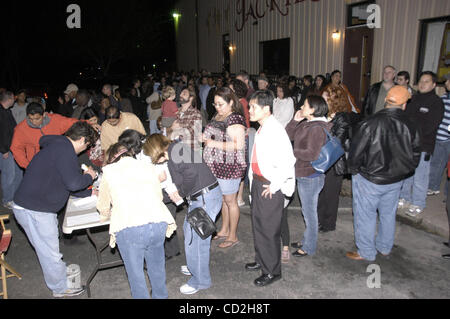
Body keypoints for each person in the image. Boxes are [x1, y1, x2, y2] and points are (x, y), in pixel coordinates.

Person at [13, 121, 98, 297]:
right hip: (34, 209)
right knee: (49, 252)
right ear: (82, 139)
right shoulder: (65, 151)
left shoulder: (58, 147)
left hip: (32, 205)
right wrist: (89, 176)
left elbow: (67, 182)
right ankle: (60, 289)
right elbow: (74, 183)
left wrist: (90, 193)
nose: (85, 150)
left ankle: (57, 273)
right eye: (87, 145)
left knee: (48, 250)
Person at [346, 86, 421, 261]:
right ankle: (385, 247)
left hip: (370, 178)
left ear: (386, 101)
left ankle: (366, 251)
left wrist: (355, 171)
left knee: (366, 215)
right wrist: (405, 169)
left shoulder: (371, 122)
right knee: (388, 214)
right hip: (396, 179)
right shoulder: (411, 123)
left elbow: (356, 152)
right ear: (404, 105)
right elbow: (416, 152)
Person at [145, 134, 223, 295]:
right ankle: (195, 266)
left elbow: (191, 175)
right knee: (190, 234)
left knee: (196, 241)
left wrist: (180, 193)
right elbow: (185, 176)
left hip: (204, 198)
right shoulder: (176, 149)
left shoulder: (176, 151)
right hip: (203, 197)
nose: (153, 160)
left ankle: (201, 280)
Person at [97, 142, 176, 299]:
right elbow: (158, 196)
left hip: (129, 226)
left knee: (136, 275)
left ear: (112, 157)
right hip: (157, 221)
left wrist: (105, 216)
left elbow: (103, 204)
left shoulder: (109, 171)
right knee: (157, 268)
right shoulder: (147, 166)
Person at [244, 90, 296, 287]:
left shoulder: (275, 129)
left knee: (268, 229)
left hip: (269, 184)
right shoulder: (263, 127)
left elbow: (288, 161)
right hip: (258, 183)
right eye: (249, 107)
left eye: (253, 107)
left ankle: (272, 271)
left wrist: (274, 186)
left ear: (266, 109)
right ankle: (262, 260)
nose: (250, 111)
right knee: (258, 225)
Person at [286, 95, 332, 257]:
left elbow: (312, 154)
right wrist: (295, 120)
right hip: (306, 174)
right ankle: (307, 239)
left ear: (313, 110)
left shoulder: (317, 128)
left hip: (310, 176)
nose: (301, 107)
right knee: (308, 211)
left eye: (305, 105)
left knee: (309, 213)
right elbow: (288, 136)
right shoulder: (308, 123)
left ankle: (309, 247)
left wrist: (292, 152)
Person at [202, 87, 247, 249]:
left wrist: (212, 143)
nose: (217, 107)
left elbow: (239, 145)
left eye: (220, 104)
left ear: (231, 102)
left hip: (229, 167)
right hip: (216, 166)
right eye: (215, 104)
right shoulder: (220, 115)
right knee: (223, 200)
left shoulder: (235, 119)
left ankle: (233, 235)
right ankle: (224, 229)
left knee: (231, 201)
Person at [400, 71, 445, 217]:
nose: (422, 83)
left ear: (433, 84)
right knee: (407, 173)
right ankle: (405, 197)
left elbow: (430, 126)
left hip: (424, 145)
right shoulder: (413, 98)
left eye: (426, 81)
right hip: (408, 144)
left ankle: (418, 203)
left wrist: (413, 134)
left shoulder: (436, 102)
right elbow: (405, 118)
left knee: (420, 176)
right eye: (421, 81)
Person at [317, 91, 361, 233]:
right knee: (320, 192)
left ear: (333, 101)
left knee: (331, 193)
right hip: (320, 159)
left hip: (334, 161)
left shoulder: (341, 118)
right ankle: (318, 219)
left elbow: (337, 141)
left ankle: (329, 223)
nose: (321, 100)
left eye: (324, 98)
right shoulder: (322, 116)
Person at [141, 134, 181, 260]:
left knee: (166, 220)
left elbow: (164, 177)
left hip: (167, 190)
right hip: (167, 189)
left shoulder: (161, 154)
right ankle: (172, 250)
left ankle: (170, 251)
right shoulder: (150, 154)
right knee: (168, 219)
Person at [10, 102, 80, 169]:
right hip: (36, 165)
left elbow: (72, 123)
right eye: (30, 119)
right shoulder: (21, 129)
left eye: (37, 119)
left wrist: (88, 122)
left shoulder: (55, 120)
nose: (34, 122)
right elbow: (16, 148)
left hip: (57, 162)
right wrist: (27, 166)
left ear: (43, 114)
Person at [428, 73, 450, 196]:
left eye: (448, 81)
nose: (446, 83)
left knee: (442, 164)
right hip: (439, 136)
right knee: (436, 162)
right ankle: (433, 186)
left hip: (448, 139)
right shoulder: (444, 98)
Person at [0, 91, 23, 209]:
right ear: (9, 99)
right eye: (13, 98)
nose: (15, 100)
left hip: (12, 148)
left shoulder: (7, 111)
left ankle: (16, 197)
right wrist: (3, 150)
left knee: (18, 173)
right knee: (9, 175)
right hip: (4, 150)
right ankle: (7, 199)